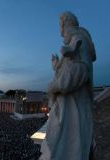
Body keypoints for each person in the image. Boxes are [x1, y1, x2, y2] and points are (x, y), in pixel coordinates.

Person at [40, 12, 96, 160]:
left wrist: (56, 86)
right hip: (67, 108)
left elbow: (82, 71)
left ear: (65, 24)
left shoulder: (80, 40)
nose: (60, 33)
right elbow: (68, 68)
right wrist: (56, 66)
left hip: (73, 110)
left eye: (60, 26)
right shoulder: (74, 42)